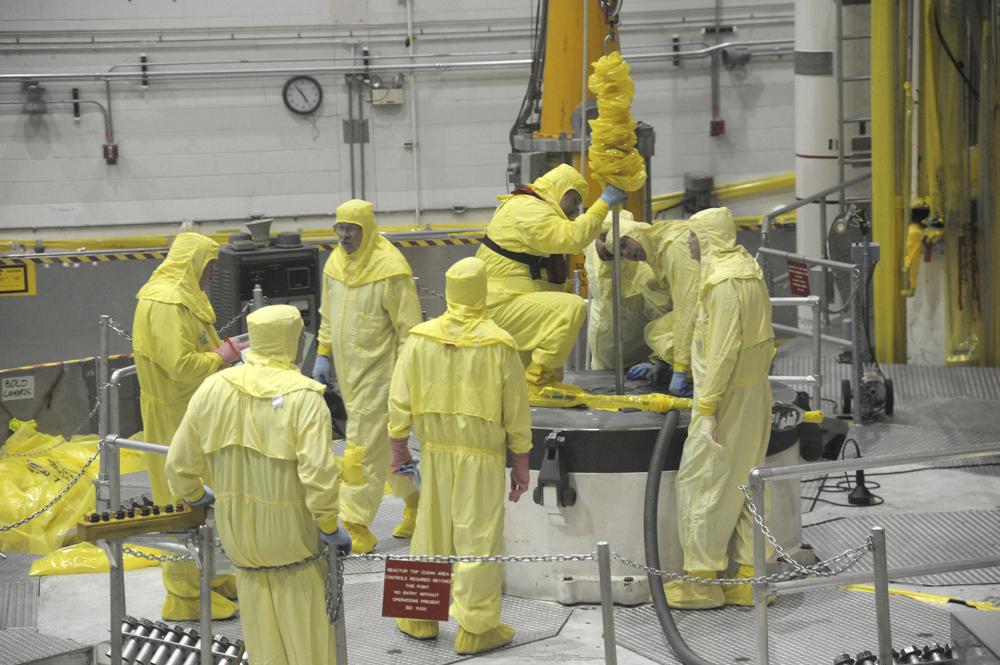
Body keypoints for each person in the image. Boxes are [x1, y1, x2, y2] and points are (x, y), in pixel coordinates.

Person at [165, 305, 351, 665]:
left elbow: (179, 464)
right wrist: (329, 526)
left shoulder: (213, 388)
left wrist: (195, 495)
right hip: (294, 549)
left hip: (241, 548)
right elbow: (318, 475)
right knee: (308, 648)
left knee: (264, 649)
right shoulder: (305, 397)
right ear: (294, 341)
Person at [387, 257, 532, 656]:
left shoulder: (420, 338)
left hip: (431, 452)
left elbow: (398, 396)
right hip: (481, 457)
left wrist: (398, 445)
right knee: (478, 537)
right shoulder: (499, 343)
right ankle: (476, 627)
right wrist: (521, 461)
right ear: (482, 290)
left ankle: (417, 616)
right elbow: (516, 409)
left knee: (428, 533)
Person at [132, 232, 248, 620]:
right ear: (192, 263)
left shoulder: (183, 297)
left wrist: (224, 350)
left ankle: (205, 577)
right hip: (172, 415)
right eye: (209, 266)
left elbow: (196, 348)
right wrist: (225, 355)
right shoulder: (166, 303)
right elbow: (180, 367)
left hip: (191, 413)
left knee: (200, 501)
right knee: (178, 503)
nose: (212, 274)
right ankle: (182, 596)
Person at [664, 207, 774, 609]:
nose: (689, 243)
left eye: (693, 236)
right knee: (746, 486)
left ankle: (702, 582)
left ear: (707, 238)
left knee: (702, 483)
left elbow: (723, 350)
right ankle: (747, 579)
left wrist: (707, 407)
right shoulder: (748, 269)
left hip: (726, 396)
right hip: (754, 392)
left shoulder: (724, 282)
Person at [312, 199, 422, 554]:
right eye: (339, 229)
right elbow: (328, 316)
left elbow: (409, 328)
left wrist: (406, 377)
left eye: (351, 229)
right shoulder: (335, 265)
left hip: (382, 377)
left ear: (367, 229)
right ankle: (417, 505)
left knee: (359, 451)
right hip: (348, 376)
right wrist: (323, 354)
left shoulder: (390, 269)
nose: (344, 236)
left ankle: (355, 523)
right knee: (384, 452)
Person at [476, 164, 628, 387]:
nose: (574, 212)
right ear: (563, 191)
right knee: (570, 308)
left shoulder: (533, 207)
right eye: (574, 203)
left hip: (509, 297)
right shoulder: (528, 208)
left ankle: (535, 390)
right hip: (501, 302)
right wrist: (604, 202)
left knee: (524, 364)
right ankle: (540, 379)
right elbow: (570, 237)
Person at [604, 218, 701, 396]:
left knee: (656, 332)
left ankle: (697, 377)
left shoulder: (674, 246)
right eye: (621, 252)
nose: (627, 253)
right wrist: (662, 361)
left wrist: (679, 368)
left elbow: (688, 307)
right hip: (706, 314)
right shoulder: (658, 255)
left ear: (637, 232)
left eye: (625, 243)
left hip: (716, 315)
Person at [584, 210, 669, 370]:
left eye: (619, 243)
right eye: (602, 237)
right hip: (600, 363)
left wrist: (659, 360)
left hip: (635, 366)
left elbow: (664, 319)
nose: (607, 246)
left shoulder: (645, 271)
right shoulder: (593, 252)